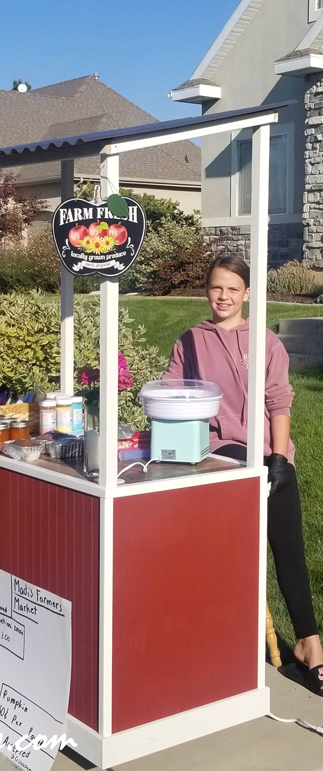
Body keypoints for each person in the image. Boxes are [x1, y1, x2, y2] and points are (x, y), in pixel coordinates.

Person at [165, 253, 323, 695]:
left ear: (247, 294)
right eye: (217, 287)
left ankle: (310, 644)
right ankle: (220, 642)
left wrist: (278, 458)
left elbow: (279, 401)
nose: (223, 296)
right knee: (222, 554)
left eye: (233, 289)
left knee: (287, 543)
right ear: (207, 289)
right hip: (218, 452)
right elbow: (172, 395)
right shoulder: (190, 341)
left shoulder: (266, 342)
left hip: (266, 453)